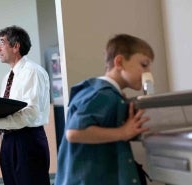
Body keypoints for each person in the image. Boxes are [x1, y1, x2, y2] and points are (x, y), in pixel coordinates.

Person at [54, 34, 154, 185]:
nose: (148, 73)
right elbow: (74, 132)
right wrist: (123, 132)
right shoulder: (103, 94)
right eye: (144, 65)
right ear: (119, 62)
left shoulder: (104, 93)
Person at [0, 25, 51, 185]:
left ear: (16, 46)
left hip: (28, 141)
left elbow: (31, 112)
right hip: (9, 140)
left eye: (2, 43)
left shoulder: (33, 72)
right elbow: (8, 109)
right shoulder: (8, 77)